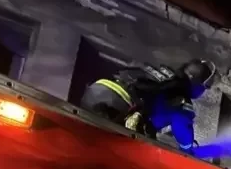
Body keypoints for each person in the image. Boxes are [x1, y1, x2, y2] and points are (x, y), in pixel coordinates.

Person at [80, 59, 216, 153]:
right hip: (117, 106)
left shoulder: (164, 72)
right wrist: (188, 150)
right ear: (198, 85)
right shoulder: (182, 101)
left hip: (95, 91)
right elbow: (182, 128)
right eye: (205, 88)